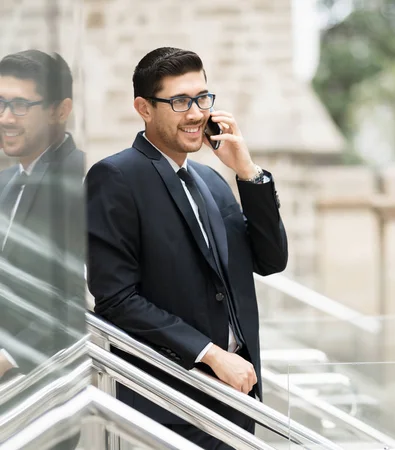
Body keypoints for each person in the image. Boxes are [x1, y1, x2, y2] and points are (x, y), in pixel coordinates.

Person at [86, 47, 288, 449]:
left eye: (202, 98)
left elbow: (270, 260)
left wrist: (247, 172)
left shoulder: (212, 180)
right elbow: (115, 298)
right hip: (169, 404)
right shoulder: (116, 176)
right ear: (144, 108)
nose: (196, 113)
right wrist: (210, 354)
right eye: (179, 101)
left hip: (235, 402)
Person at [0, 50, 86, 380]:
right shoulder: (8, 181)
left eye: (20, 105)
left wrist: (9, 357)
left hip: (40, 388)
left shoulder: (82, 178)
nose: (6, 118)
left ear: (60, 110)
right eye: (1, 103)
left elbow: (79, 301)